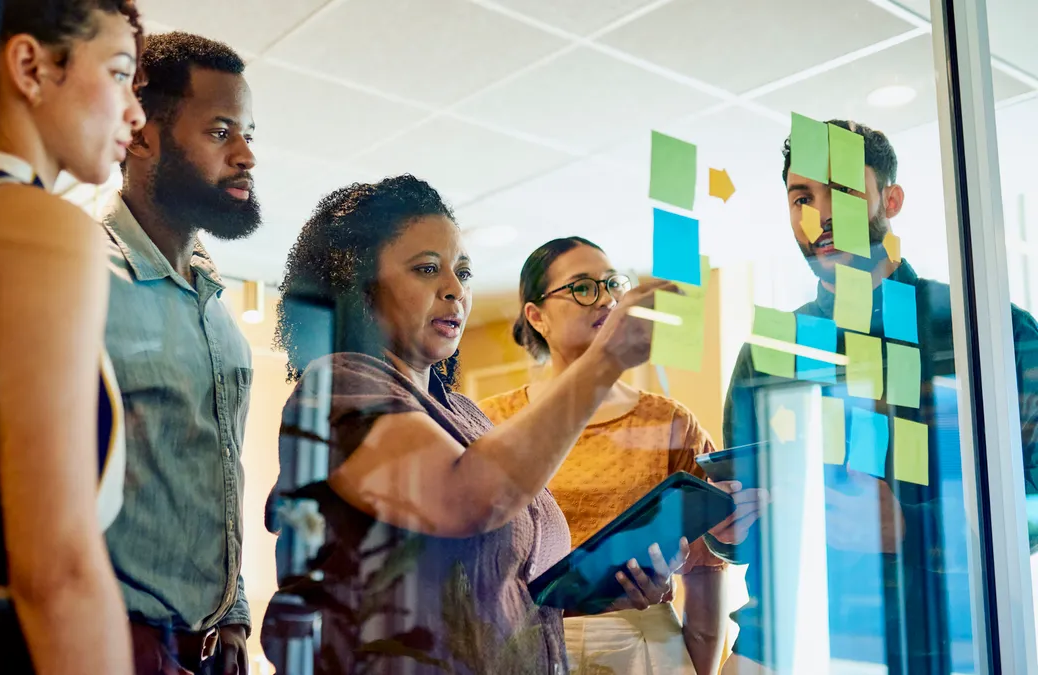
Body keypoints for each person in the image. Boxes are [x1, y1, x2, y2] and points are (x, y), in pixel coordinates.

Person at [263, 175, 691, 675]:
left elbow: (503, 593)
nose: (454, 290)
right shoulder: (340, 386)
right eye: (427, 269)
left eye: (463, 273)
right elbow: (466, 499)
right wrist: (604, 361)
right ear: (361, 288)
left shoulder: (467, 415)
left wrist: (606, 591)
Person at [713, 120, 1038, 675]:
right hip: (782, 646)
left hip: (939, 646)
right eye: (801, 197)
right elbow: (748, 525)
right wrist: (728, 532)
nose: (818, 216)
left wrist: (911, 526)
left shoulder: (987, 330)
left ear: (891, 198)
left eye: (839, 189)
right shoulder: (768, 352)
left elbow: (1032, 503)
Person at [0, 1, 145, 673]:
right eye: (119, 73)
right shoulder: (40, 226)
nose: (135, 113)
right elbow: (57, 570)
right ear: (31, 66)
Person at [479, 237, 729, 675]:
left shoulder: (668, 421)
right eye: (581, 288)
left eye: (612, 284)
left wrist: (701, 667)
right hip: (526, 646)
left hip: (645, 644)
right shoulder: (494, 420)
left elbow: (707, 569)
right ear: (536, 317)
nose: (606, 300)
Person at [102, 31, 261, 675]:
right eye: (221, 131)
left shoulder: (219, 315)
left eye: (250, 133)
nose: (247, 155)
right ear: (140, 134)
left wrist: (234, 616)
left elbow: (219, 474)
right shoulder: (82, 280)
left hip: (210, 650)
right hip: (114, 642)